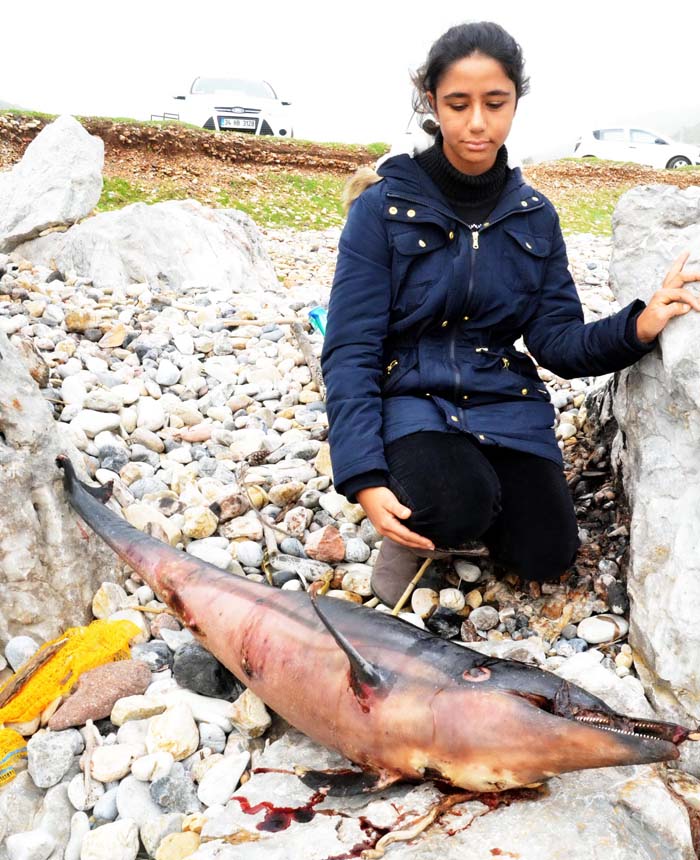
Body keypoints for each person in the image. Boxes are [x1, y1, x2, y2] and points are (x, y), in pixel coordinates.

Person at [320, 21, 700, 608]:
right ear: (432, 103)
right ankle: (426, 517)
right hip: (411, 397)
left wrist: (639, 326)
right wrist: (363, 476)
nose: (478, 122)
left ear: (515, 102)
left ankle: (465, 494)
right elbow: (351, 348)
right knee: (455, 504)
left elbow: (557, 341)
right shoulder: (381, 209)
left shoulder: (534, 215)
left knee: (547, 553)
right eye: (458, 104)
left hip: (503, 401)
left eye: (494, 103)